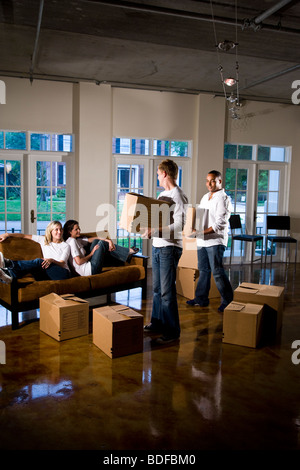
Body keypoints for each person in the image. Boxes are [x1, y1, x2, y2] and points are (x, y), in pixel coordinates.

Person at [143, 159, 188, 344]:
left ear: (165, 174)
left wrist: (156, 231)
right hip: (158, 246)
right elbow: (158, 221)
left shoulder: (178, 195)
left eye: (158, 174)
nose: (157, 177)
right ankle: (157, 322)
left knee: (167, 292)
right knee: (157, 290)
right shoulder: (162, 195)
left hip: (170, 248)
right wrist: (147, 229)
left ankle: (172, 330)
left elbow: (179, 225)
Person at [186, 170, 233, 312]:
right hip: (202, 241)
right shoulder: (205, 197)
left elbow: (219, 225)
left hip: (215, 241)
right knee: (203, 270)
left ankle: (228, 301)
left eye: (212, 180)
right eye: (207, 180)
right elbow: (200, 217)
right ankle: (201, 298)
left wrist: (198, 232)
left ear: (220, 181)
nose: (209, 184)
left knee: (217, 272)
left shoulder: (223, 199)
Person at [0, 220, 71, 284]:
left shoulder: (65, 245)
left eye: (61, 229)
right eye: (56, 229)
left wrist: (51, 260)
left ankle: (9, 263)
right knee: (33, 267)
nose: (59, 232)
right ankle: (10, 275)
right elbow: (24, 236)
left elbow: (62, 264)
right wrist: (7, 234)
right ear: (50, 231)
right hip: (47, 273)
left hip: (63, 273)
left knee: (39, 261)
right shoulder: (43, 240)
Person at [62, 220, 139, 276]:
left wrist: (107, 240)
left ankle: (124, 255)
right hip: (89, 271)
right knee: (101, 244)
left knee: (97, 241)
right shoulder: (72, 242)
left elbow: (92, 239)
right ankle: (128, 252)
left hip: (88, 267)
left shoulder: (77, 240)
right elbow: (79, 262)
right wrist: (92, 254)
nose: (79, 230)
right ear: (70, 232)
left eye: (79, 228)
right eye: (76, 229)